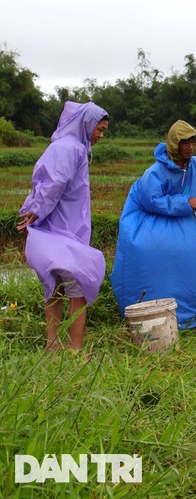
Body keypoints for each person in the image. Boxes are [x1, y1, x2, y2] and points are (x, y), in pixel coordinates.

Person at [110, 120, 196, 330]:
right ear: (174, 144)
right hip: (156, 227)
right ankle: (146, 314)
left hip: (194, 234)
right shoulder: (155, 173)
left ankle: (194, 316)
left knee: (195, 267)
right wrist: (185, 203)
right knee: (149, 258)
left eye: (194, 143)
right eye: (186, 143)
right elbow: (150, 200)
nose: (191, 148)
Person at [17, 101, 109, 352]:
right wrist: (35, 211)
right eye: (99, 129)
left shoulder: (70, 147)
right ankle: (75, 348)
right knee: (77, 283)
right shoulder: (70, 148)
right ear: (87, 124)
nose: (100, 135)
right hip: (62, 227)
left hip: (62, 225)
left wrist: (34, 210)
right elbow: (53, 184)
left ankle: (52, 345)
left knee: (54, 285)